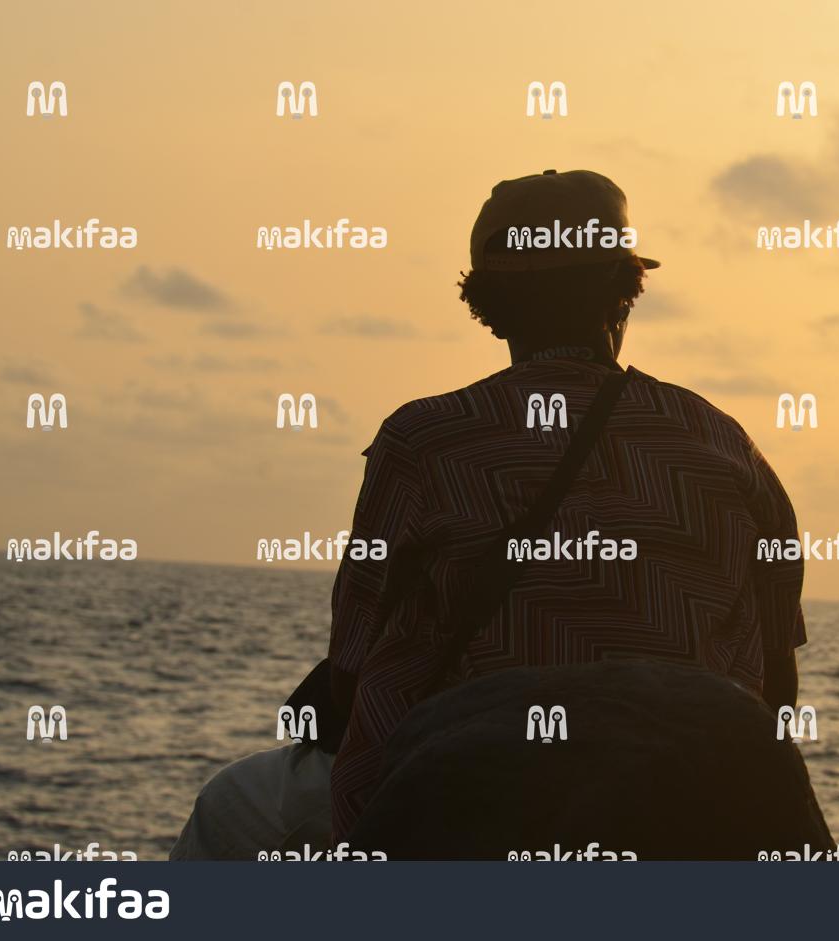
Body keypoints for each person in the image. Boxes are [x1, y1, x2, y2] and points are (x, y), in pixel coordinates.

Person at [327, 169, 807, 839]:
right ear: (623, 295)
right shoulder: (726, 444)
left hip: (462, 810)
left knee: (233, 810)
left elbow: (351, 653)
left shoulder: (424, 441)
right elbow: (778, 683)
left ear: (489, 307)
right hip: (692, 810)